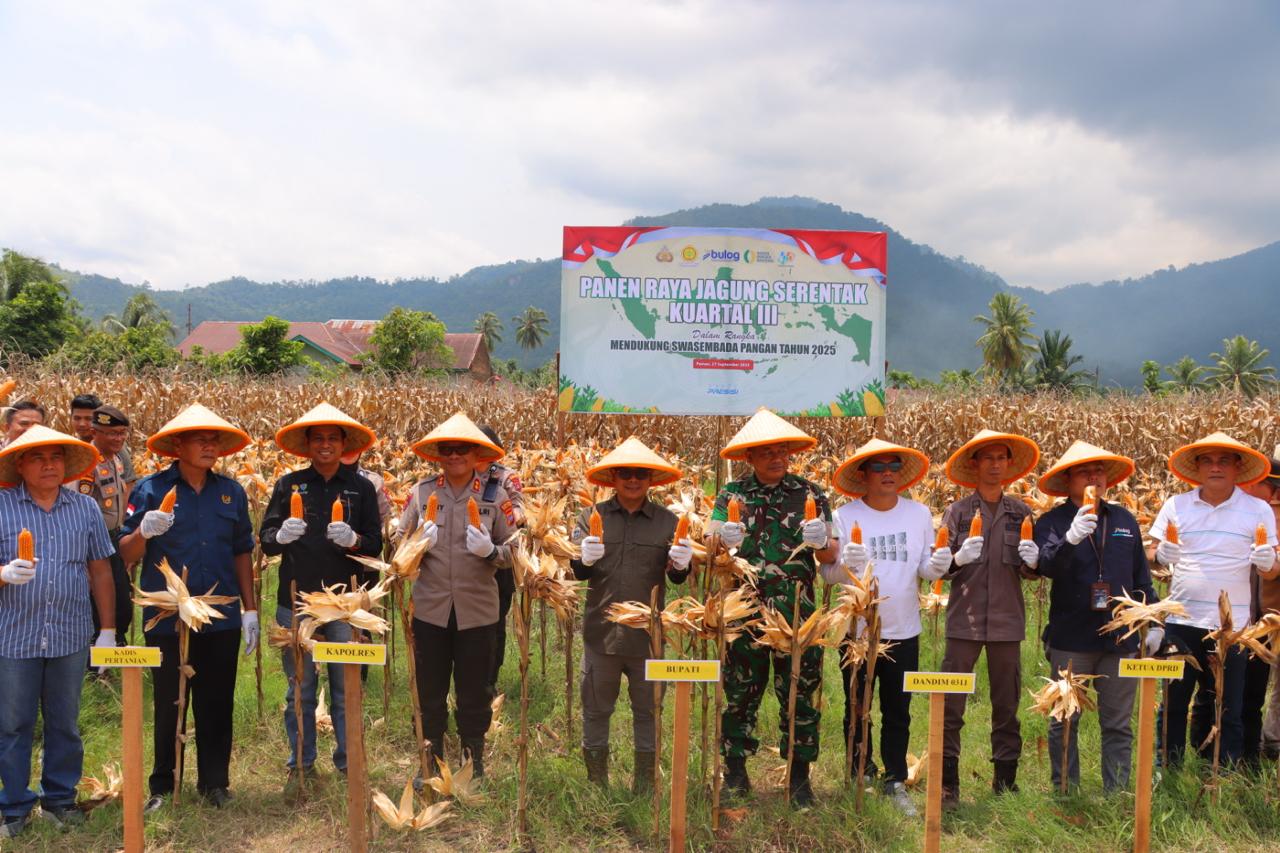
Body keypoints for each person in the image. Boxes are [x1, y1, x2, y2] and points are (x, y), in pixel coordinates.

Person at [118, 404, 257, 811]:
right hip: (167, 614)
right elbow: (126, 550)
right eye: (201, 439)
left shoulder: (232, 491)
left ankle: (215, 783)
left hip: (221, 615)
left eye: (214, 440)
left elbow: (242, 552)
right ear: (178, 445)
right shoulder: (148, 489)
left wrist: (250, 611)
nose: (209, 446)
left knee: (217, 700)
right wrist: (144, 530)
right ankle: (163, 785)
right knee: (169, 703)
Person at [706, 408, 836, 808]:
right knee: (739, 693)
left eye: (782, 451)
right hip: (743, 611)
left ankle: (799, 778)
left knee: (800, 692)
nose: (777, 458)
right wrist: (721, 541)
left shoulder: (811, 493)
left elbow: (831, 553)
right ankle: (736, 773)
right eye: (767, 452)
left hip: (797, 613)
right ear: (750, 457)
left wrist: (819, 542)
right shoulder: (731, 496)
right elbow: (709, 554)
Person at [259, 403, 383, 792]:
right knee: (300, 686)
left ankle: (349, 761)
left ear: (344, 444)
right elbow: (265, 541)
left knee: (346, 686)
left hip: (346, 604)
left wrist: (355, 541)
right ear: (308, 445)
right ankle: (301, 762)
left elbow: (376, 545)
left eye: (333, 438)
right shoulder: (288, 485)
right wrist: (280, 537)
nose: (326, 445)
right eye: (319, 439)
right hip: (295, 601)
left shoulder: (361, 488)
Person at [820, 438, 948, 814]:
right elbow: (828, 575)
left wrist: (939, 568)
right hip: (857, 632)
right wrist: (846, 563)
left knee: (898, 708)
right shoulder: (845, 516)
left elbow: (924, 567)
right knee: (857, 706)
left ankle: (894, 779)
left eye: (893, 466)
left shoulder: (919, 514)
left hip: (903, 627)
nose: (888, 473)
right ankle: (859, 772)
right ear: (864, 475)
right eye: (878, 467)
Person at [0, 425, 115, 838]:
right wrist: (3, 573)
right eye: (37, 457)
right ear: (20, 464)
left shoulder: (84, 509)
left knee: (64, 722)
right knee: (13, 724)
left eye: (56, 458)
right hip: (14, 635)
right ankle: (13, 807)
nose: (48, 465)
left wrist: (107, 630)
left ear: (66, 465)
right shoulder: (1, 506)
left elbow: (100, 568)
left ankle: (60, 800)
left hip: (69, 634)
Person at [1031, 440, 1159, 792]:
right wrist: (1071, 539)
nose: (1095, 477)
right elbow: (1046, 567)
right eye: (1085, 471)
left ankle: (1116, 792)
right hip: (1071, 637)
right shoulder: (1053, 521)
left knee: (1118, 723)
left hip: (1120, 639)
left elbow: (1140, 578)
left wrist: (1154, 619)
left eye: (1100, 470)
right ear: (1069, 479)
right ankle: (1065, 791)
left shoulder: (1123, 520)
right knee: (1065, 719)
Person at [397, 412, 515, 779]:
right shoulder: (421, 492)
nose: (454, 456)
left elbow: (517, 552)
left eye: (462, 449)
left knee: (474, 690)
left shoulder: (497, 497)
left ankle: (471, 758)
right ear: (438, 455)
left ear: (476, 453)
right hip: (431, 609)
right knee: (430, 688)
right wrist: (416, 545)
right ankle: (430, 757)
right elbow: (396, 544)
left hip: (478, 611)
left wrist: (491, 553)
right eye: (447, 450)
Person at [570, 437, 692, 792]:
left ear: (651, 479)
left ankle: (645, 785)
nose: (633, 480)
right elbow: (576, 571)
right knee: (596, 710)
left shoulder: (667, 522)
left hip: (648, 639)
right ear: (613, 477)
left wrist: (682, 566)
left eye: (640, 474)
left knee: (649, 712)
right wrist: (584, 558)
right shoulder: (589, 517)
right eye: (625, 473)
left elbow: (676, 575)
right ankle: (597, 785)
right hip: (601, 633)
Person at [1150, 432, 1276, 767]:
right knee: (1173, 703)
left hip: (1231, 628)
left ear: (1238, 468)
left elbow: (1273, 568)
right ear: (1197, 467)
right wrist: (1160, 554)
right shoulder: (1176, 505)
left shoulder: (1258, 509)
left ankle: (1226, 771)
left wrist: (1268, 564)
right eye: (1208, 460)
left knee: (1229, 705)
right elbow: (1151, 556)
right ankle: (1168, 770)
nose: (1215, 467)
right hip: (1180, 621)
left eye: (1224, 461)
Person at [938, 428, 1040, 805]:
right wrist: (955, 559)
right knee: (951, 704)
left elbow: (1030, 570)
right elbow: (940, 565)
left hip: (1006, 623)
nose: (995, 465)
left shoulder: (1022, 513)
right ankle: (948, 783)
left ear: (1009, 465)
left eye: (1001, 458)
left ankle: (1005, 783)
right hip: (964, 621)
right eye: (988, 458)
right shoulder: (958, 512)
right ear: (975, 464)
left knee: (1007, 705)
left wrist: (1034, 563)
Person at [79, 406, 137, 647]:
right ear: (94, 432)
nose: (119, 438)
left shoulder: (116, 458)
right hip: (93, 543)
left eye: (122, 433)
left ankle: (114, 649)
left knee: (122, 601)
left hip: (114, 537)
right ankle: (96, 663)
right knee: (101, 601)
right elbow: (81, 510)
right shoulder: (87, 461)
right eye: (112, 433)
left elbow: (124, 494)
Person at [475, 424, 525, 692]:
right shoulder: (460, 474)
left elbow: (518, 504)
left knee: (494, 622)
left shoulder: (505, 477)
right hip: (466, 560)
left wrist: (517, 516)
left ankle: (490, 680)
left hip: (498, 559)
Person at [1240, 452, 1280, 768]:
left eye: (1253, 484)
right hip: (1256, 619)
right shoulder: (1250, 514)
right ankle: (1260, 749)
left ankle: (1265, 747)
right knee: (1252, 691)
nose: (1246, 488)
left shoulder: (1267, 516)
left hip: (1265, 618)